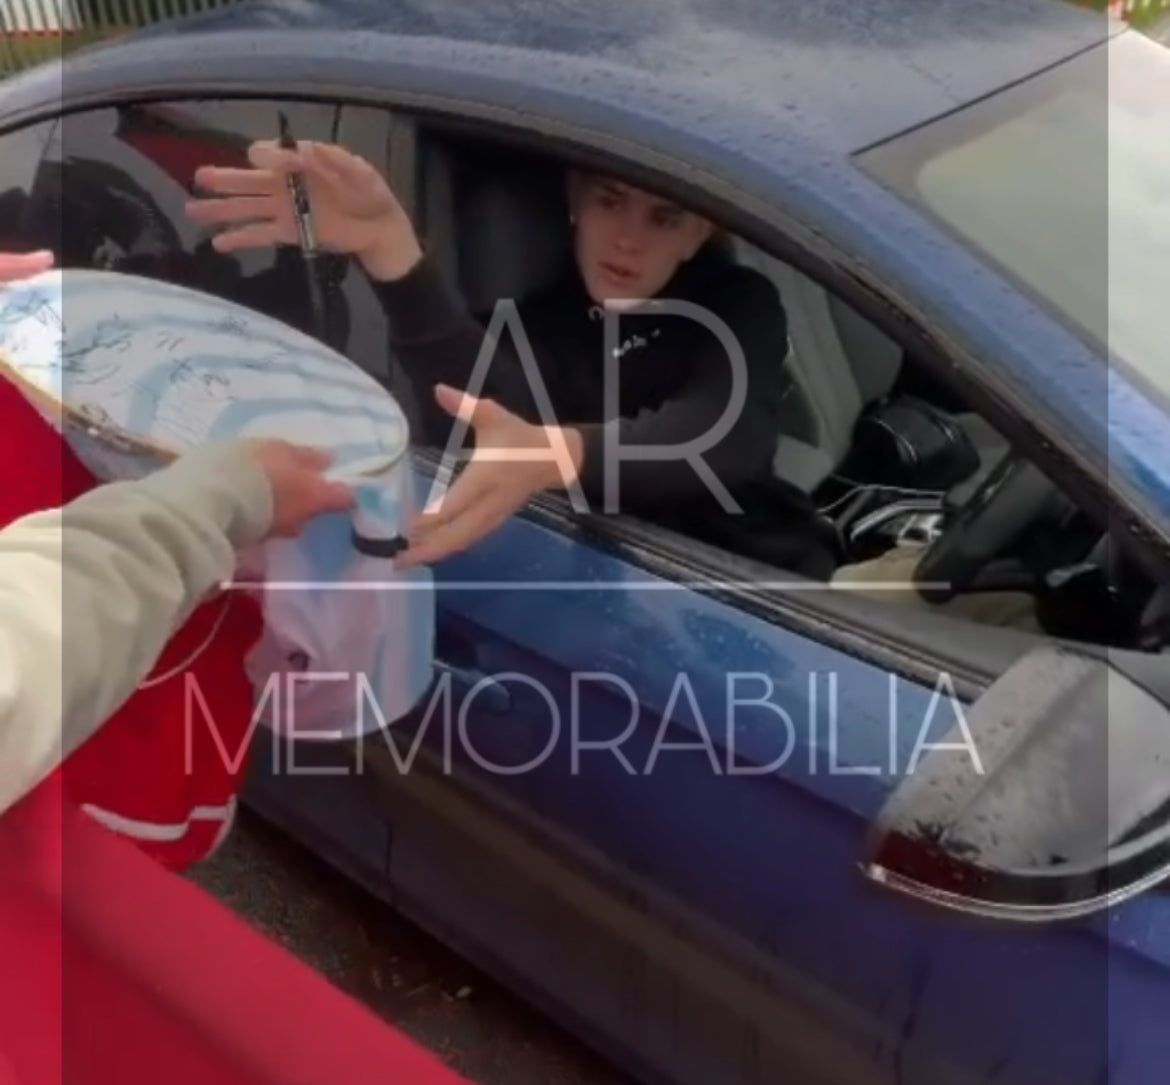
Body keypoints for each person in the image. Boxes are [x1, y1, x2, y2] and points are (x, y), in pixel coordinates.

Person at [187, 142, 1038, 627]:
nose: (627, 239)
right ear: (573, 199)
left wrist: (554, 454)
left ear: (699, 228)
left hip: (794, 591)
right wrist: (390, 251)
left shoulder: (737, 303)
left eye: (662, 216)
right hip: (672, 614)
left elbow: (725, 436)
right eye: (608, 200)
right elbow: (487, 399)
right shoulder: (541, 321)